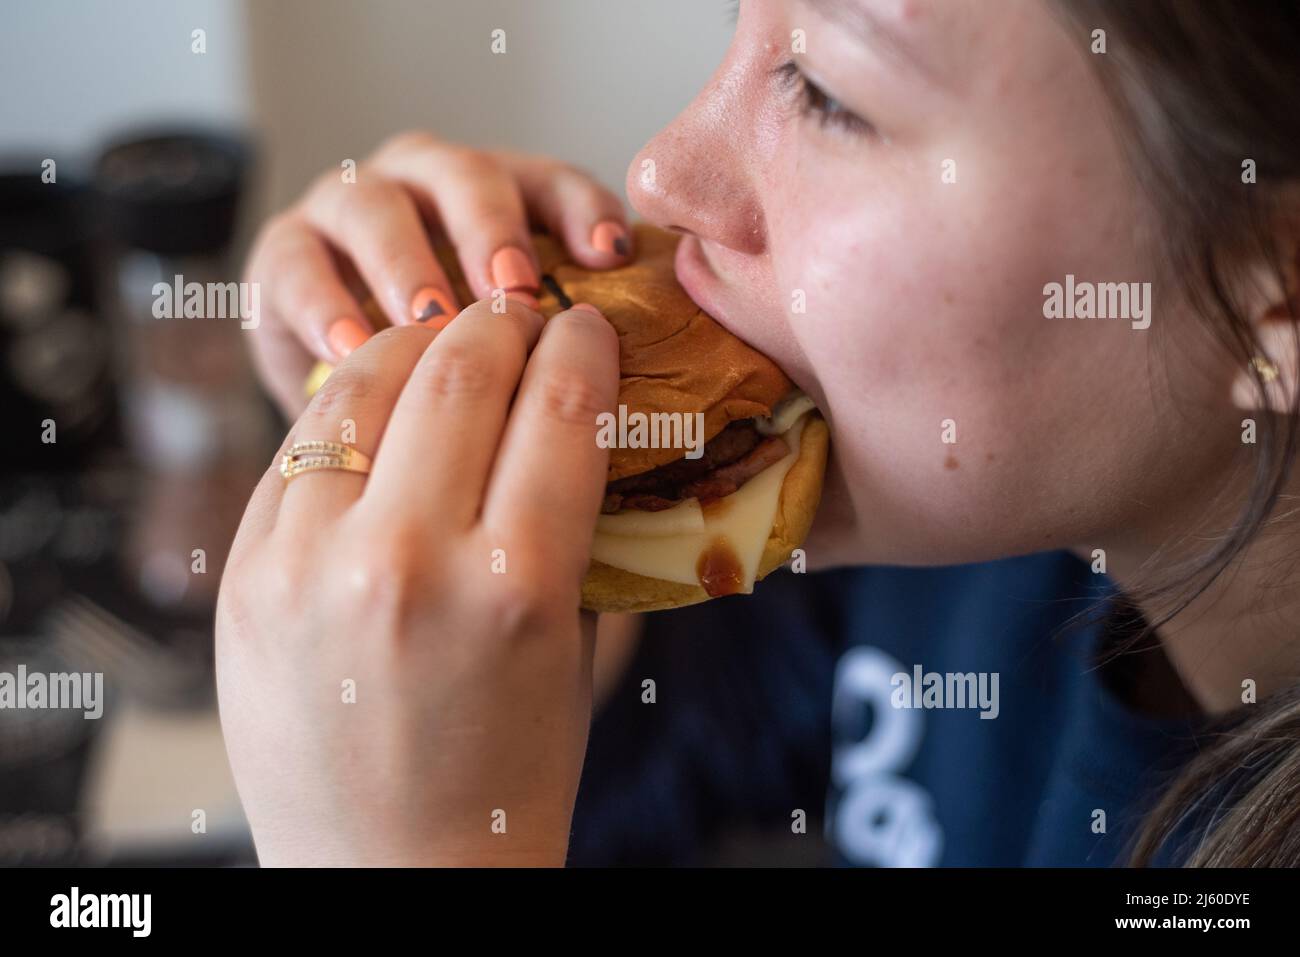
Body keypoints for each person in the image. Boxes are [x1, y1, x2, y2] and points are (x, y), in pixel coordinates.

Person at [216, 0, 1300, 866]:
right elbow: (683, 739)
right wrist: (452, 528)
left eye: (825, 92)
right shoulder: (969, 567)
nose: (660, 171)